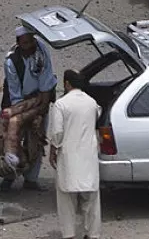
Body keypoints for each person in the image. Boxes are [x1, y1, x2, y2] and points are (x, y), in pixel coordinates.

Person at [1, 25, 58, 193]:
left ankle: (31, 179)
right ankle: (9, 176)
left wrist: (40, 112)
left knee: (37, 139)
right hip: (18, 102)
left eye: (31, 41)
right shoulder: (11, 61)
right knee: (12, 139)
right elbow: (14, 91)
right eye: (25, 43)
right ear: (18, 43)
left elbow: (46, 81)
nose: (29, 46)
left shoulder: (41, 51)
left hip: (40, 99)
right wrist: (26, 113)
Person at [49, 70, 101, 239]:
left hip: (69, 156)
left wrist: (53, 150)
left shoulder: (61, 104)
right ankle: (92, 234)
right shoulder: (92, 102)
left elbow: (57, 133)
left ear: (67, 84)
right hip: (88, 157)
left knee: (66, 199)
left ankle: (69, 234)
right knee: (91, 199)